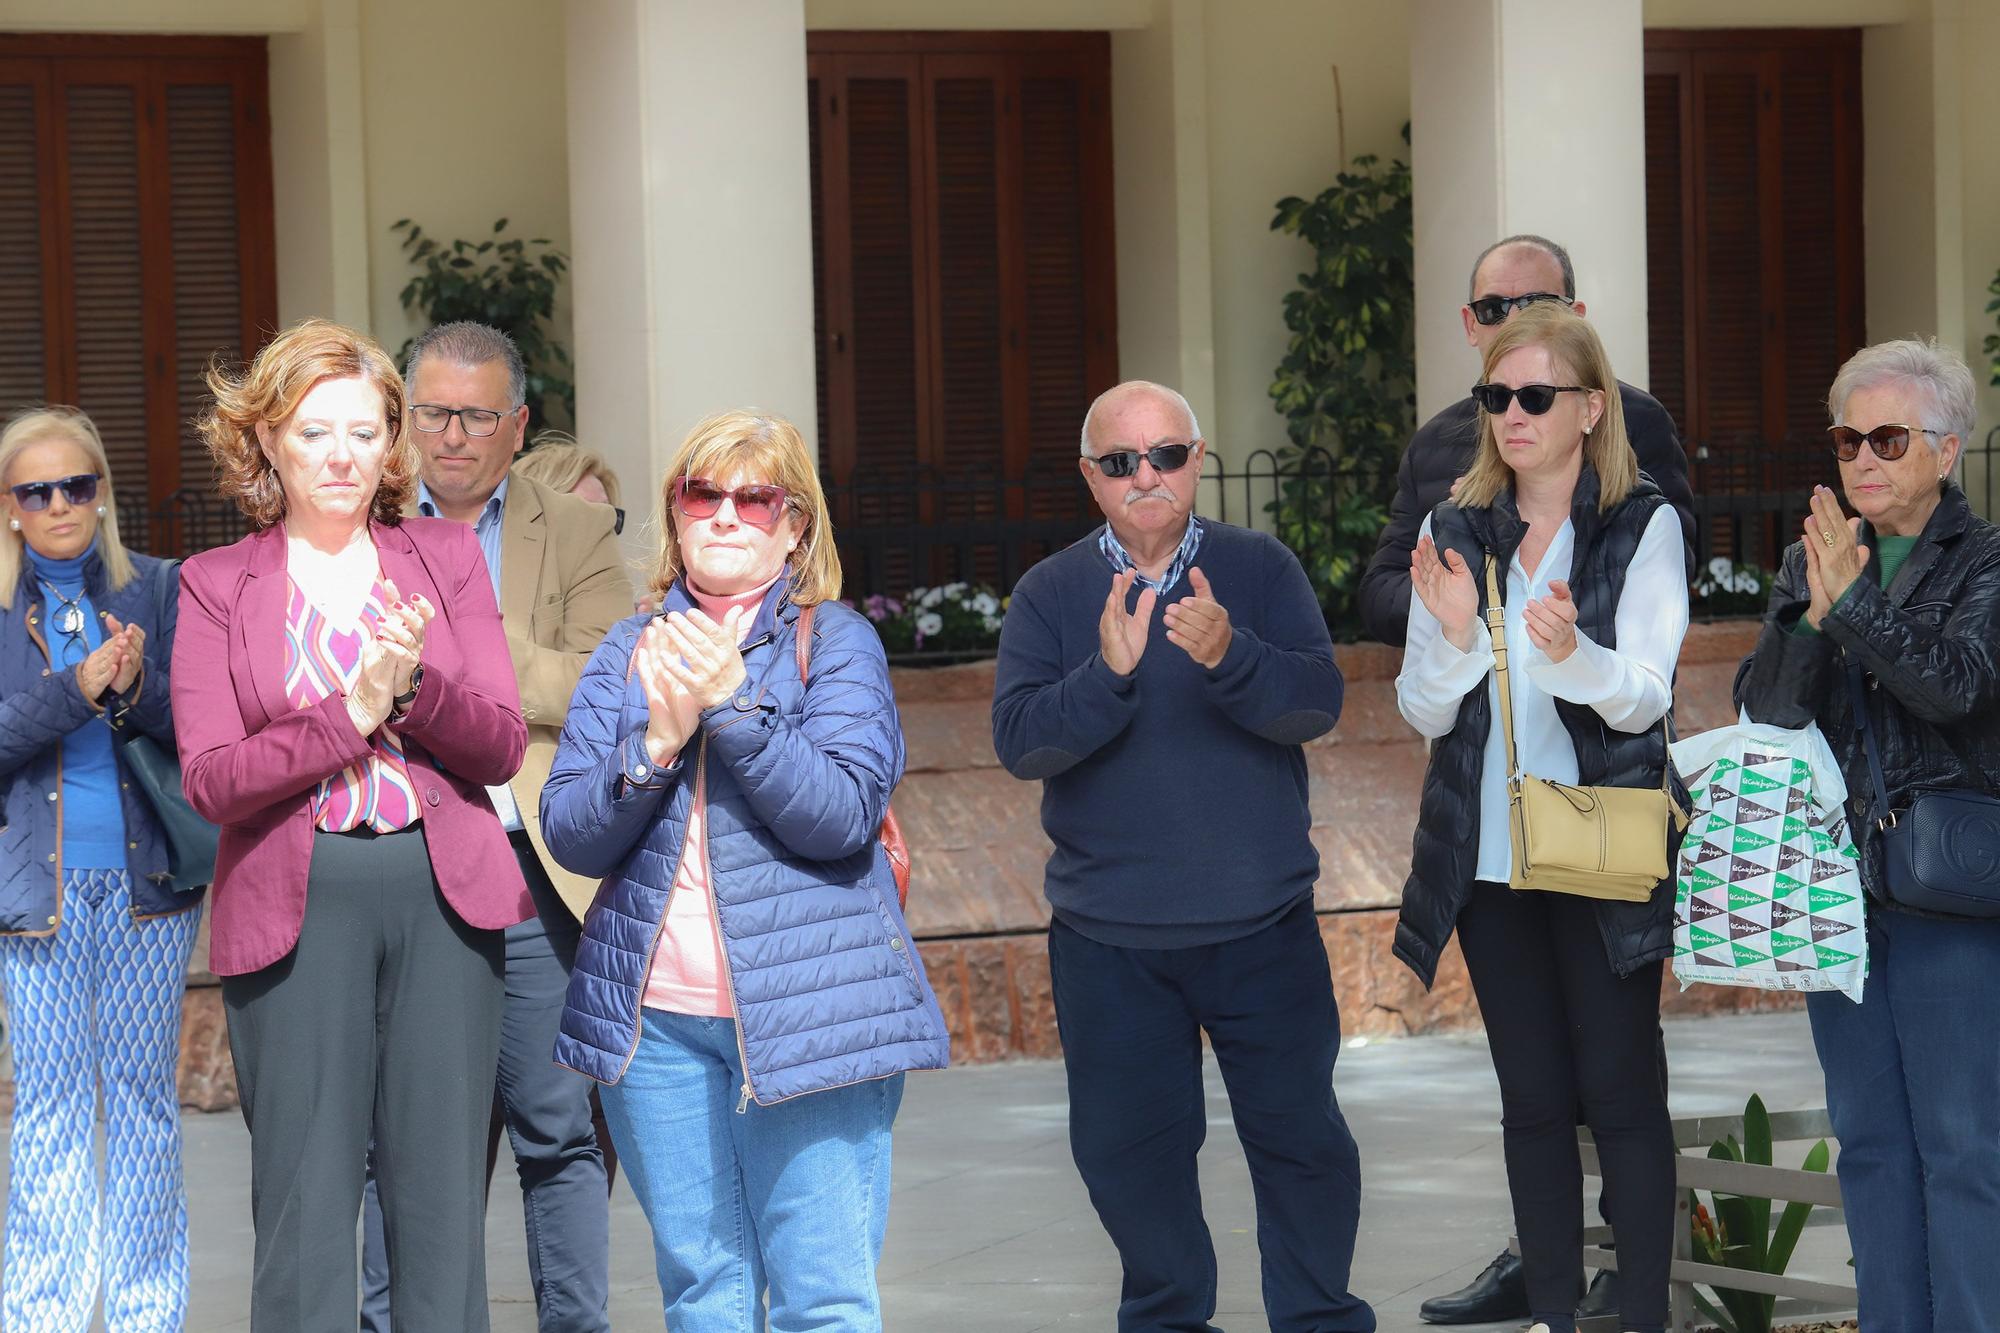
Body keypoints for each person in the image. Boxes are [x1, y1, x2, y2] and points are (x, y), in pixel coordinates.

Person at [541, 409, 949, 1332]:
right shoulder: (626, 649)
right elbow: (570, 830)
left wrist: (731, 704)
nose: (725, 515)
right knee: (703, 1292)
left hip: (810, 1018)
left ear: (794, 524)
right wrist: (653, 743)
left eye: (754, 498)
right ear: (676, 514)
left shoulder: (834, 642)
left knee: (824, 1299)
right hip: (657, 1027)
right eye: (701, 493)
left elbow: (841, 813)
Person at [992, 380, 1374, 1333]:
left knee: (1302, 1144)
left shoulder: (1258, 568)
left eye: (1165, 455)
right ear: (1090, 478)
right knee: (1128, 1156)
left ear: (1197, 459)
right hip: (1109, 937)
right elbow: (1021, 741)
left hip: (1263, 924)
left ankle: (1319, 1318)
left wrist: (1231, 655)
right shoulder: (1050, 592)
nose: (1146, 476)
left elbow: (1317, 703)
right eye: (1121, 462)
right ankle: (1168, 1318)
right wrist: (1107, 675)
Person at [173, 317, 530, 1331]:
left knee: (441, 1206)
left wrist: (407, 688)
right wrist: (351, 713)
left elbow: (501, 742)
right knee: (303, 1204)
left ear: (392, 447)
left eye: (364, 432)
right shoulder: (214, 584)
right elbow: (211, 779)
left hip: (440, 894)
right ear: (268, 443)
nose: (340, 454)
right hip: (296, 905)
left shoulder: (446, 557)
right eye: (313, 430)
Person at [1371, 234, 1693, 1327]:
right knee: (1530, 1103)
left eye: (1535, 395)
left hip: (1602, 843)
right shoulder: (1451, 529)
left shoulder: (1640, 527)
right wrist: (1460, 637)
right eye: (1495, 395)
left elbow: (1644, 694)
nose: (1511, 414)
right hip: (1490, 861)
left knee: (1619, 1094)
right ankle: (1555, 1313)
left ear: (1589, 406)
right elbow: (1420, 708)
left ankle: (1638, 1311)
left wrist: (1569, 657)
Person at [352, 323, 631, 1333]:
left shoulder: (575, 529)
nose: (451, 436)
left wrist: (472, 639)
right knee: (408, 1141)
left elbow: (607, 680)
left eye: (475, 415)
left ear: (517, 426)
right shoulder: (358, 526)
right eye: (431, 412)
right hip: (398, 860)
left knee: (555, 1130)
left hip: (527, 866)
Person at [1734, 338, 2000, 1331]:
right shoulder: (1817, 560)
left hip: (1948, 902)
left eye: (1885, 437)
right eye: (1846, 439)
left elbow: (1953, 685)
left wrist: (1850, 605)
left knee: (1964, 1148)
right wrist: (1806, 617)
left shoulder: (1985, 563)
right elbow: (1764, 709)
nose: (1861, 459)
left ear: (1945, 449)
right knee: (1871, 1145)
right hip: (1835, 898)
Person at [0, 406, 201, 1330]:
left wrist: (135, 688)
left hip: (145, 890)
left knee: (141, 1104)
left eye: (75, 485)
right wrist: (73, 690)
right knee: (46, 1110)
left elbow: (197, 729)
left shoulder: (157, 590)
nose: (57, 505)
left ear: (102, 494)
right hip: (32, 894)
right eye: (34, 491)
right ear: (9, 508)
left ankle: (145, 1313)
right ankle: (41, 1314)